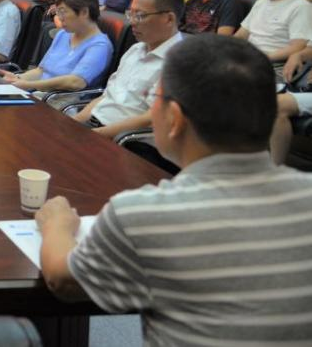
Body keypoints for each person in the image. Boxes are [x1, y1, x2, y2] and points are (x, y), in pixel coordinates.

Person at [37, 35, 312, 345]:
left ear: (174, 118)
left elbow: (63, 280)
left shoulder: (141, 214)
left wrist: (56, 225)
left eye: (155, 97)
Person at [71, 0, 183, 138]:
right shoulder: (135, 49)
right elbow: (106, 96)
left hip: (126, 140)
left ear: (169, 19)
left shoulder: (180, 62)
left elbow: (152, 118)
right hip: (96, 126)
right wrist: (73, 123)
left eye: (140, 15)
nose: (132, 22)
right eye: (130, 14)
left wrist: (94, 134)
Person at [0, 0, 112, 92]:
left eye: (63, 12)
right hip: (40, 93)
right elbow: (41, 71)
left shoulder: (100, 46)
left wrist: (28, 85)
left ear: (84, 12)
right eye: (58, 12)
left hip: (61, 100)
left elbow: (76, 82)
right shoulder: (63, 34)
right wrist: (17, 78)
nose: (59, 18)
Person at [235, 0, 311, 73]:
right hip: (248, 59)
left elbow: (297, 47)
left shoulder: (300, 6)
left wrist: (261, 58)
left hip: (274, 65)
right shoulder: (262, 1)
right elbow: (241, 34)